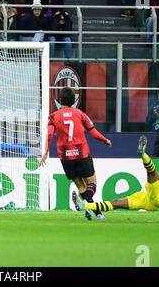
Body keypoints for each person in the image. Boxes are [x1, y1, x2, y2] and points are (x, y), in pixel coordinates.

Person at [73, 135, 159, 223]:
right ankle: (84, 206)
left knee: (154, 174)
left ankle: (143, 154)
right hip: (151, 202)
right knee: (117, 203)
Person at [39, 88, 113, 220]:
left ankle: (98, 214)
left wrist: (46, 152)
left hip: (66, 157)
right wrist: (105, 140)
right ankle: (86, 204)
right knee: (92, 184)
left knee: (80, 186)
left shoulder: (53, 116)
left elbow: (50, 134)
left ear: (60, 100)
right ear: (73, 101)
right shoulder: (80, 114)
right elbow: (93, 132)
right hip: (81, 154)